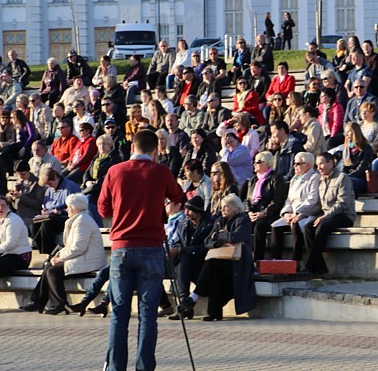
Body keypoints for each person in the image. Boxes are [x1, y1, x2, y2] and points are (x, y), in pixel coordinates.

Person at [98, 129, 184, 371]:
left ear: (132, 147)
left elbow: (103, 209)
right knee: (148, 315)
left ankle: (115, 367)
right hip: (151, 247)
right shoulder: (161, 171)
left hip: (122, 247)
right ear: (155, 150)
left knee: (119, 315)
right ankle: (144, 367)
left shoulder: (115, 171)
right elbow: (179, 197)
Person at [20, 193, 105, 315]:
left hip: (90, 261)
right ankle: (38, 301)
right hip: (82, 257)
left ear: (76, 208)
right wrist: (57, 256)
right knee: (49, 265)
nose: (67, 209)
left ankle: (59, 304)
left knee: (53, 271)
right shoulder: (77, 220)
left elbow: (78, 248)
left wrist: (61, 258)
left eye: (69, 207)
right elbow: (71, 247)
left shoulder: (83, 221)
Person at [178, 193, 256, 321]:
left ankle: (193, 298)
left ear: (236, 208)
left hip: (238, 262)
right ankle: (214, 313)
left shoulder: (243, 219)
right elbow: (207, 241)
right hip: (222, 259)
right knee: (214, 271)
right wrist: (219, 240)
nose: (222, 209)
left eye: (226, 207)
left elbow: (236, 237)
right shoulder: (219, 220)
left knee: (212, 264)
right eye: (222, 207)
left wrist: (218, 237)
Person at [302, 152, 355, 277]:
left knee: (322, 227)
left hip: (344, 215)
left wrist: (325, 216)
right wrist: (301, 215)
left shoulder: (342, 178)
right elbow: (319, 206)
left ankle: (310, 267)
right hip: (327, 216)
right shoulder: (321, 180)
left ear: (331, 163)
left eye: (321, 163)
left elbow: (343, 204)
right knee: (307, 228)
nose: (319, 167)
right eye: (317, 165)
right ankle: (319, 267)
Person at [270, 151, 320, 265]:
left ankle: (295, 261)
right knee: (275, 226)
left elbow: (312, 200)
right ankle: (275, 260)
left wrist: (297, 212)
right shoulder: (294, 179)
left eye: (298, 164)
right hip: (293, 212)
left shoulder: (314, 178)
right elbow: (289, 200)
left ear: (307, 165)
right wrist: (286, 212)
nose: (294, 166)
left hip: (308, 212)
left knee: (296, 224)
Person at [240, 151, 286, 261]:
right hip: (254, 212)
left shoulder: (276, 178)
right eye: (254, 162)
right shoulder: (252, 180)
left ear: (267, 164)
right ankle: (243, 260)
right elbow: (247, 200)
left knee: (259, 227)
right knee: (242, 226)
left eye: (258, 162)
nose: (254, 164)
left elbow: (278, 201)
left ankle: (258, 260)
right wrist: (249, 212)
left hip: (271, 213)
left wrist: (264, 213)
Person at [33, 166, 82, 254]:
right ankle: (42, 252)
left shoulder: (70, 187)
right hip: (50, 216)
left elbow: (76, 207)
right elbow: (46, 204)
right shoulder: (49, 189)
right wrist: (45, 210)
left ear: (56, 178)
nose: (49, 187)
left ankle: (49, 253)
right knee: (34, 226)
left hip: (65, 216)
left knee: (46, 226)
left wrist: (60, 211)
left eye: (50, 183)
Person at [9, 160, 46, 230]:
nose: (20, 177)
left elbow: (38, 204)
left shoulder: (37, 183)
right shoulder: (19, 183)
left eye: (23, 174)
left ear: (28, 171)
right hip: (18, 214)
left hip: (30, 216)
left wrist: (21, 197)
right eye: (18, 174)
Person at [341, 122, 375, 194]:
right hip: (350, 176)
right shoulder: (347, 149)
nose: (346, 135)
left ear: (355, 132)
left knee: (346, 181)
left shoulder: (366, 147)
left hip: (361, 179)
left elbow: (363, 167)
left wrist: (348, 176)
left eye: (349, 131)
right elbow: (345, 166)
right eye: (345, 132)